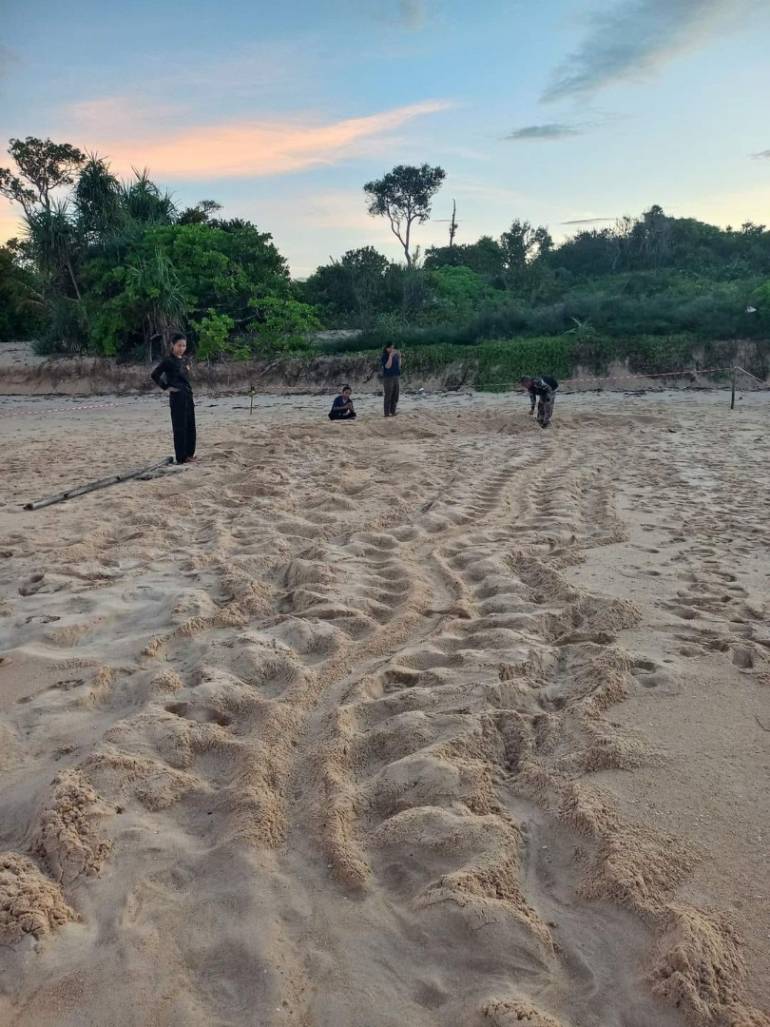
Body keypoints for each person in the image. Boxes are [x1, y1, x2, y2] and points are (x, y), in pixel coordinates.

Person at [151, 333, 197, 463]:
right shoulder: (168, 361)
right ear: (173, 345)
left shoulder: (185, 360)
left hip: (188, 395)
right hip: (177, 397)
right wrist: (166, 387)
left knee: (190, 425)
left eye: (184, 345)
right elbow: (155, 375)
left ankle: (190, 454)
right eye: (179, 345)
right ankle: (181, 457)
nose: (182, 348)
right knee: (180, 427)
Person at [381, 343, 401, 418]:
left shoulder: (395, 356)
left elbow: (399, 366)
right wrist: (390, 356)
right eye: (391, 348)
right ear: (387, 348)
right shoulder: (385, 356)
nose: (393, 350)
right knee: (388, 395)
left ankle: (393, 411)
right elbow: (387, 366)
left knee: (395, 394)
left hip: (396, 376)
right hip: (388, 378)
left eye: (394, 348)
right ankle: (386, 413)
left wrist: (399, 357)